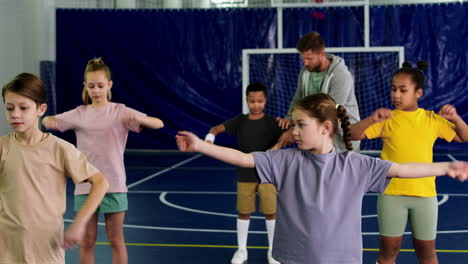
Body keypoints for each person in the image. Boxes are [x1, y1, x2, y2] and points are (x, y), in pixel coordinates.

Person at [176, 93, 468, 264]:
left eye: (301, 125)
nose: (295, 131)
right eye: (294, 125)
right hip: (294, 258)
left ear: (326, 127)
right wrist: (201, 145)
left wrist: (445, 168)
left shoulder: (354, 165)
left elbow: (403, 169)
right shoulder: (285, 161)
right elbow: (244, 158)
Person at [42, 58, 164, 264]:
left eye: (100, 85)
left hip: (114, 185)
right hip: (85, 186)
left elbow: (158, 124)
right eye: (91, 86)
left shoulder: (120, 111)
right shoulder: (79, 114)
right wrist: (49, 120)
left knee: (116, 241)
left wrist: (141, 119)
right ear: (85, 87)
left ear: (109, 85)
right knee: (87, 241)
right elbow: (47, 120)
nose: (96, 90)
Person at [349, 61, 468, 264]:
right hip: (392, 195)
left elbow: (463, 137)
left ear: (418, 93)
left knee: (427, 254)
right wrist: (371, 119)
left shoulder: (431, 120)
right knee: (388, 254)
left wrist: (456, 119)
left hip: (425, 196)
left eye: (403, 90)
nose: (396, 95)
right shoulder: (387, 119)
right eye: (394, 89)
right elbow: (352, 134)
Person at [0, 73, 109, 264]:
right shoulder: (3, 147)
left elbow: (100, 182)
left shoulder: (60, 149)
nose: (15, 114)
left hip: (47, 252)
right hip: (7, 251)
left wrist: (80, 222)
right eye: (9, 108)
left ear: (41, 109)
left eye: (23, 108)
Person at [204, 83, 284, 264]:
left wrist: (279, 143)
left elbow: (289, 133)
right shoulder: (240, 121)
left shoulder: (273, 122)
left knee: (271, 213)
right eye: (252, 101)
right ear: (247, 100)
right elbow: (215, 129)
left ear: (266, 101)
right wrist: (208, 142)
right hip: (245, 175)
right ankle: (241, 251)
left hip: (268, 176)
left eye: (260, 101)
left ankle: (273, 251)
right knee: (244, 212)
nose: (256, 105)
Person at [276, 31, 361, 151]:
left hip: (343, 141)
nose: (305, 63)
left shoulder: (341, 75)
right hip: (318, 138)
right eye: (303, 58)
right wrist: (289, 118)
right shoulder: (304, 72)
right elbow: (298, 98)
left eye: (309, 59)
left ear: (321, 54)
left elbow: (329, 111)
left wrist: (294, 130)